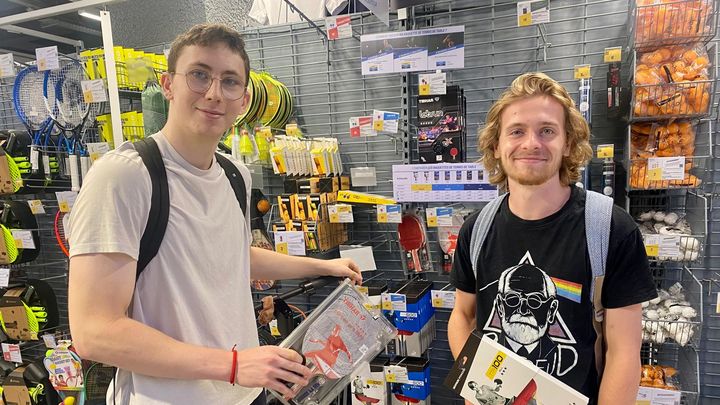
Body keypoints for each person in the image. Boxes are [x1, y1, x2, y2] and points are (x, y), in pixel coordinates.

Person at [68, 23, 362, 405]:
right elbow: (94, 332)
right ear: (168, 85)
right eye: (198, 75)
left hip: (245, 393)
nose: (213, 93)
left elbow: (231, 255)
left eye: (229, 81)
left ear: (242, 100)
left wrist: (322, 266)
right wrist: (234, 364)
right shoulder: (123, 176)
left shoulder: (234, 174)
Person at [448, 72, 657, 404]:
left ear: (569, 143)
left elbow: (624, 351)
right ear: (497, 146)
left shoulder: (611, 230)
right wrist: (478, 387)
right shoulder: (476, 230)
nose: (531, 143)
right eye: (516, 131)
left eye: (547, 131)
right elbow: (463, 315)